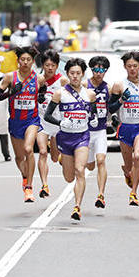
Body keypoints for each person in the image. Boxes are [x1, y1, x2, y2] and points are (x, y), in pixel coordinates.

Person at [44, 58, 95, 220]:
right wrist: (61, 122)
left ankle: (77, 206)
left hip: (82, 136)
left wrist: (93, 119)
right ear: (67, 74)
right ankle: (62, 158)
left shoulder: (89, 94)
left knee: (80, 170)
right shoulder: (60, 94)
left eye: (78, 73)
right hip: (65, 138)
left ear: (83, 75)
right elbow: (47, 116)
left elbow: (92, 113)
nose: (75, 76)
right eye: (72, 73)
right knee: (69, 177)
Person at [0, 46, 45, 202]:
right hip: (15, 121)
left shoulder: (38, 78)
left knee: (29, 149)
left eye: (28, 60)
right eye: (22, 59)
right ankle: (25, 177)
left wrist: (41, 96)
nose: (25, 62)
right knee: (19, 157)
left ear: (32, 61)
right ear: (18, 61)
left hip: (32, 120)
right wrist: (11, 92)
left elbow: (43, 89)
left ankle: (29, 188)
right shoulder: (10, 77)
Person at [109, 51, 139, 207]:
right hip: (125, 127)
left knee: (137, 156)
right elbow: (111, 108)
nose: (132, 69)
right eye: (129, 66)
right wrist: (121, 100)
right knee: (129, 166)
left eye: (135, 66)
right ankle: (127, 172)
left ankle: (134, 193)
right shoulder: (119, 85)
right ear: (125, 67)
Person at [36, 50, 67, 198]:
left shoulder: (62, 81)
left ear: (57, 66)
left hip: (56, 122)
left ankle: (59, 155)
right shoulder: (38, 80)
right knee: (42, 152)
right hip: (41, 122)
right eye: (47, 65)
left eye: (53, 65)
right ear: (43, 65)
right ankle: (44, 185)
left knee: (54, 157)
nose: (50, 68)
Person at [86, 56, 111, 209]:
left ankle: (101, 195)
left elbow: (112, 106)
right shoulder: (84, 85)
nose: (98, 73)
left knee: (101, 160)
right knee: (89, 166)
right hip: (85, 131)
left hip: (101, 130)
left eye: (101, 70)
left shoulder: (108, 87)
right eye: (95, 69)